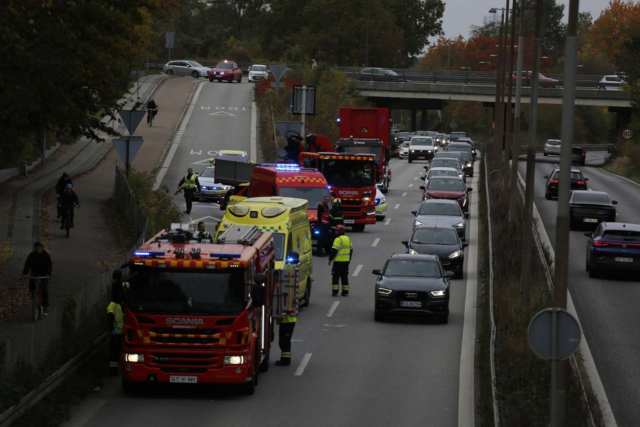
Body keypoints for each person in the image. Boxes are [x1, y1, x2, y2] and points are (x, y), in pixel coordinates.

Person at [22, 242, 53, 314]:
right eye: (37, 249)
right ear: (34, 249)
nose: (38, 250)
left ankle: (45, 306)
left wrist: (48, 274)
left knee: (44, 289)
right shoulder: (32, 255)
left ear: (42, 249)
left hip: (44, 273)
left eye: (39, 249)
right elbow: (27, 264)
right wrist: (25, 273)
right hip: (35, 272)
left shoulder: (46, 255)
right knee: (32, 281)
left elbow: (49, 266)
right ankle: (33, 293)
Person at [328, 225, 353, 297]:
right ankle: (345, 291)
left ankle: (335, 292)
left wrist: (330, 259)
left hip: (338, 262)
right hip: (346, 262)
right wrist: (349, 259)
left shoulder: (338, 239)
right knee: (344, 276)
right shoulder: (348, 239)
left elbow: (334, 251)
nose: (335, 232)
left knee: (335, 276)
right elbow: (351, 250)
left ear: (341, 231)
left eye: (337, 230)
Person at [107, 280, 124, 376]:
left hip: (121, 334)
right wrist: (111, 330)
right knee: (114, 354)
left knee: (118, 353)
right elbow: (109, 319)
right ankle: (112, 371)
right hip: (116, 334)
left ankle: (116, 370)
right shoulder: (113, 305)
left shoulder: (122, 304)